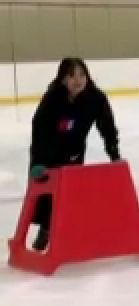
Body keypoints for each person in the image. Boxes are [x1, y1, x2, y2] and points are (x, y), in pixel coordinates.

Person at [26, 58, 121, 252]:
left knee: (71, 197)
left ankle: (69, 236)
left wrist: (114, 154)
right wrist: (39, 161)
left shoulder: (95, 98)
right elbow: (39, 130)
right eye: (71, 75)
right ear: (62, 79)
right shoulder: (52, 99)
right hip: (47, 156)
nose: (77, 80)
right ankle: (45, 230)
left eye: (81, 75)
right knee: (47, 199)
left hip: (74, 153)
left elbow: (107, 127)